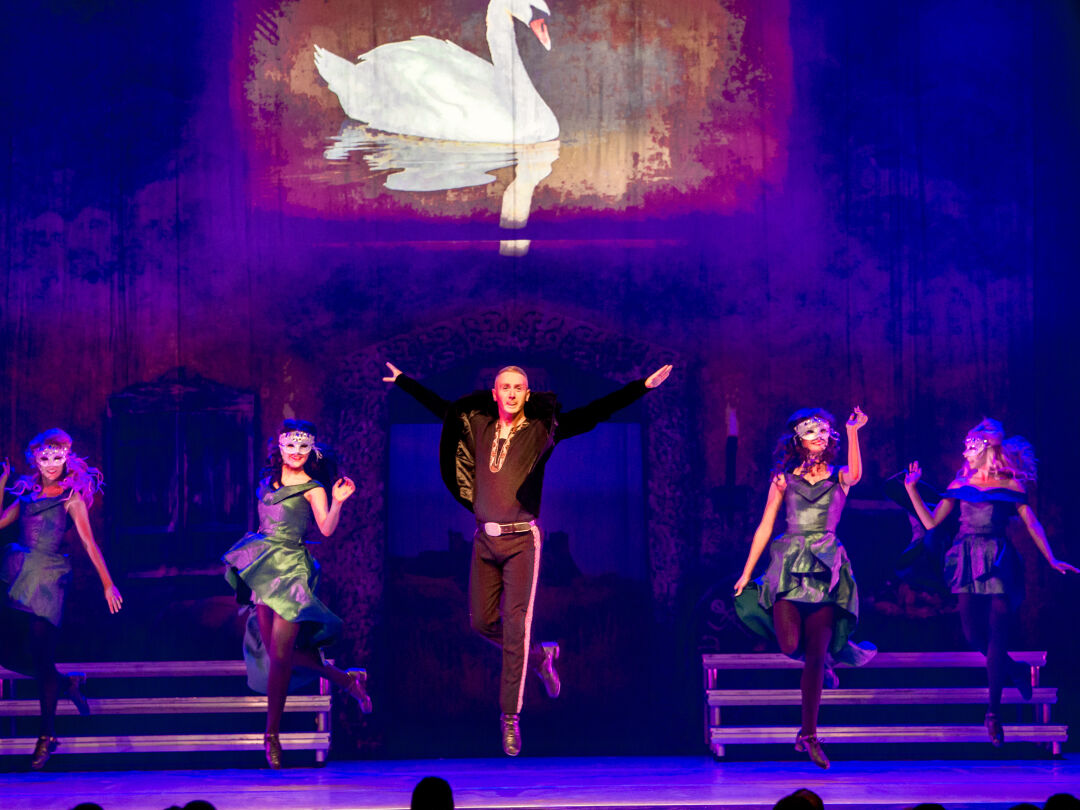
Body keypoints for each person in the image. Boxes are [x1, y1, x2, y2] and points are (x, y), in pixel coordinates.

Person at [384, 361, 672, 756]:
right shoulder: (480, 425)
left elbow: (594, 413)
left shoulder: (542, 429)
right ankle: (540, 658)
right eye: (505, 387)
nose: (511, 393)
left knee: (516, 625)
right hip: (484, 542)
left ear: (527, 394)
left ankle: (509, 718)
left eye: (518, 387)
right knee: (481, 622)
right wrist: (405, 382)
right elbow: (445, 410)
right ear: (494, 393)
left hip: (522, 542)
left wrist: (641, 387)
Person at [904, 418, 1077, 746]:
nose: (964, 451)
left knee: (998, 632)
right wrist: (912, 489)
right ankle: (1015, 669)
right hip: (965, 556)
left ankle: (993, 713)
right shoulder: (960, 482)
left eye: (970, 445)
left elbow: (1032, 523)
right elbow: (931, 523)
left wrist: (1051, 558)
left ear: (986, 448)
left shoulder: (1010, 484)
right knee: (973, 634)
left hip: (998, 558)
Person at [223, 420, 371, 769]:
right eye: (290, 445)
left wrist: (337, 502)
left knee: (279, 656)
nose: (296, 452)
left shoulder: (313, 488)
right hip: (263, 565)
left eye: (303, 447)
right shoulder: (267, 482)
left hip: (291, 570)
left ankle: (271, 735)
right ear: (280, 446)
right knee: (278, 655)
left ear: (312, 449)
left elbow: (326, 529)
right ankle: (347, 679)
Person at [733, 407, 874, 769]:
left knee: (814, 655)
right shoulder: (783, 479)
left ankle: (809, 734)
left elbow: (857, 474)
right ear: (798, 437)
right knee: (789, 644)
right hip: (789, 566)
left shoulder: (839, 476)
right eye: (811, 431)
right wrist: (747, 572)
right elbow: (765, 526)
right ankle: (823, 663)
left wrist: (853, 430)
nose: (819, 436)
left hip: (826, 568)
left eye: (825, 430)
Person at [0, 429, 123, 770]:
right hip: (19, 575)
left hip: (48, 581)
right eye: (45, 458)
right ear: (34, 460)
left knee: (41, 655)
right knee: (13, 654)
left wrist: (108, 584)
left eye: (58, 457)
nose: (52, 464)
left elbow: (89, 543)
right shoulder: (27, 495)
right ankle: (67, 682)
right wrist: (2, 482)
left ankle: (46, 734)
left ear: (67, 457)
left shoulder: (71, 497)